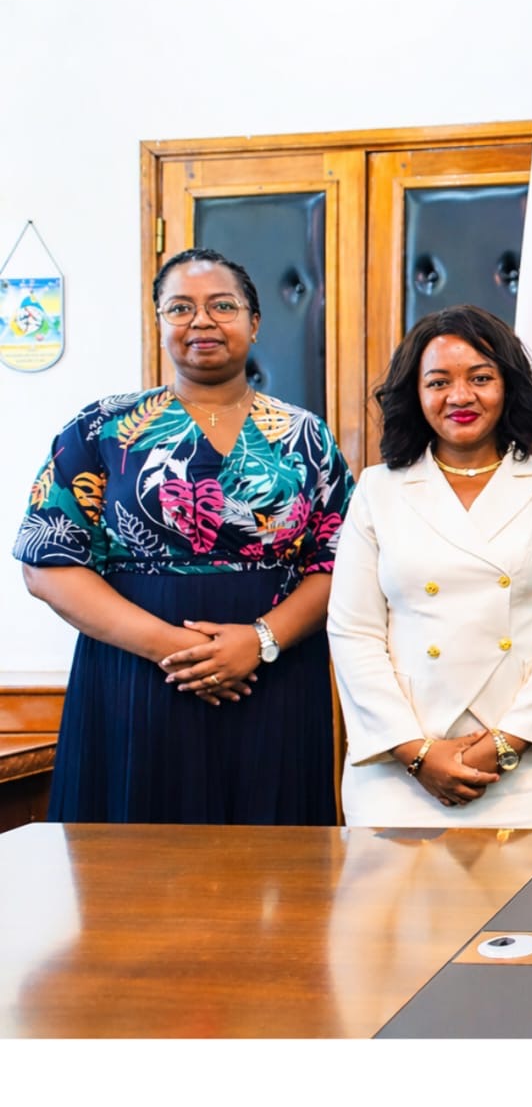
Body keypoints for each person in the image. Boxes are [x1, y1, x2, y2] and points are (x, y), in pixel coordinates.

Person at [15, 248, 353, 823]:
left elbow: (340, 562)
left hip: (272, 678)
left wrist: (260, 641)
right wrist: (172, 648)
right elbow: (47, 564)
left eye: (222, 306)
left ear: (254, 322)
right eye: (180, 308)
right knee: (129, 856)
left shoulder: (306, 435)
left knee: (273, 860)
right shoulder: (101, 428)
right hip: (132, 678)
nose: (202, 321)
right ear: (159, 322)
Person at [327, 304, 532, 826]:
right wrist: (416, 753)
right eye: (439, 382)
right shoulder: (377, 490)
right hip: (401, 763)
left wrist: (506, 744)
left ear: (508, 387)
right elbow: (353, 631)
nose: (460, 396)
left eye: (480, 378)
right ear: (415, 394)